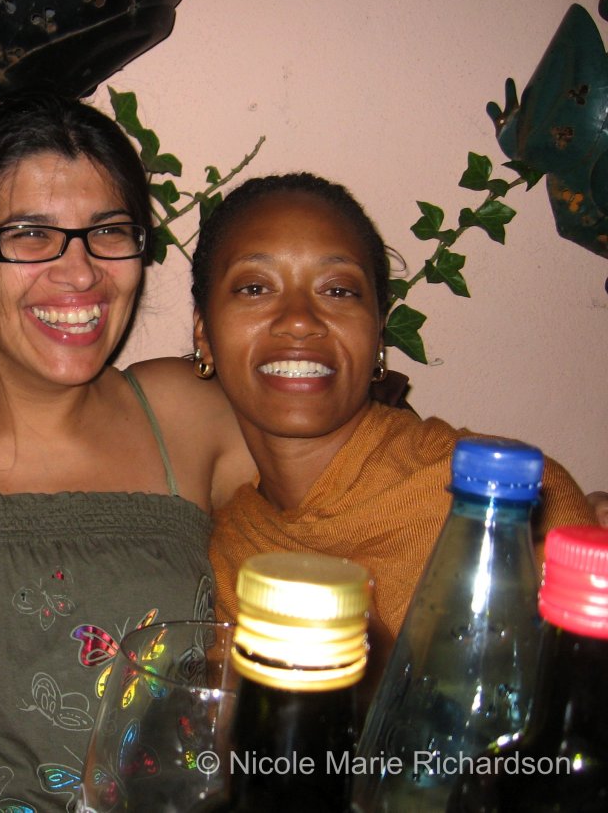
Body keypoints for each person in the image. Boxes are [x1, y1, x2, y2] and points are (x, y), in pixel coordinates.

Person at [0, 93, 253, 811]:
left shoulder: (185, 411)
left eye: (108, 232)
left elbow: (352, 494)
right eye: (31, 235)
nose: (81, 273)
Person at [188, 172, 598, 680]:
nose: (299, 319)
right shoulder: (231, 551)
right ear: (204, 335)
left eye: (339, 291)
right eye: (255, 288)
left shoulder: (504, 502)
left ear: (378, 334)